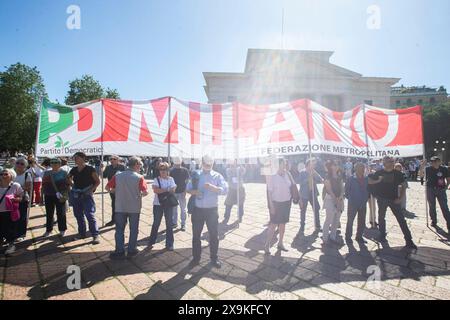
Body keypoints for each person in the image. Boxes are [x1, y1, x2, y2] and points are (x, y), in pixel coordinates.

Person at [186, 155, 228, 268]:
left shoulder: (217, 176)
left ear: (213, 164)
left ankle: (214, 258)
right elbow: (188, 188)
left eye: (210, 164)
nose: (207, 166)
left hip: (212, 211)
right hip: (198, 210)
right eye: (206, 164)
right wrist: (195, 192)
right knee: (196, 235)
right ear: (202, 163)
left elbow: (225, 190)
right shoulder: (196, 174)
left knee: (214, 235)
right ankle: (196, 258)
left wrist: (213, 188)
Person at [368, 156, 417, 249]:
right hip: (382, 199)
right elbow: (369, 181)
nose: (390, 163)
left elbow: (403, 185)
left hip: (394, 199)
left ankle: (408, 239)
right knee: (381, 218)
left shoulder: (398, 173)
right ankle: (382, 236)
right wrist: (377, 180)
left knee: (401, 220)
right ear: (384, 163)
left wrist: (401, 198)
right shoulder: (379, 173)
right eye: (387, 162)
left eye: (391, 161)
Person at [106, 157, 148, 259]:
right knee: (133, 229)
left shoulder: (118, 175)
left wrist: (116, 191)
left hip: (120, 206)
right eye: (139, 165)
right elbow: (145, 192)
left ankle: (119, 250)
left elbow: (107, 188)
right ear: (136, 165)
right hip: (134, 207)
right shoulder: (139, 177)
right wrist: (138, 194)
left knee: (119, 229)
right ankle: (131, 249)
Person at [68, 152, 101, 244]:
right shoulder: (74, 169)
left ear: (83, 158)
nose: (75, 159)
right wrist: (73, 186)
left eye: (77, 158)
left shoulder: (90, 169)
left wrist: (91, 190)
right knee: (78, 215)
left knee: (89, 215)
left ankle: (95, 235)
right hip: (77, 195)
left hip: (87, 195)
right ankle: (82, 233)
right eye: (74, 158)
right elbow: (68, 178)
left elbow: (97, 181)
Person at [265, 158, 294, 255]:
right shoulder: (272, 176)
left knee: (283, 224)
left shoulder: (288, 174)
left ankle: (280, 243)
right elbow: (269, 192)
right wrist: (271, 206)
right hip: (276, 203)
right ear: (278, 165)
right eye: (283, 163)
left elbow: (293, 186)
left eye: (285, 163)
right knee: (273, 225)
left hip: (286, 203)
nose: (285, 165)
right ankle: (267, 245)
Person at [149, 162, 177, 251]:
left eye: (164, 169)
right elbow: (156, 190)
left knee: (169, 224)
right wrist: (167, 189)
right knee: (156, 223)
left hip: (168, 204)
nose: (162, 171)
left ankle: (169, 244)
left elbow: (173, 190)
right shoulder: (156, 179)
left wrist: (163, 190)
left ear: (168, 170)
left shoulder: (171, 179)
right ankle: (151, 241)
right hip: (158, 204)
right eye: (161, 170)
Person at [41, 158, 68, 237]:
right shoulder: (47, 173)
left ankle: (62, 229)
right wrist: (41, 196)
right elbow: (43, 185)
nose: (54, 164)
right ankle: (49, 230)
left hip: (61, 195)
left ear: (60, 164)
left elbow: (67, 184)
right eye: (52, 163)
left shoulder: (64, 173)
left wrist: (65, 194)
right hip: (48, 195)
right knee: (49, 213)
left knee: (61, 213)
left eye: (56, 163)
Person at [0, 168, 23, 255]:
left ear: (11, 176)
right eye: (1, 174)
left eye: (5, 174)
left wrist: (15, 199)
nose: (3, 176)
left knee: (9, 230)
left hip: (9, 212)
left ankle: (11, 245)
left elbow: (22, 198)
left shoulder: (15, 185)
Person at [345, 162, 369, 243]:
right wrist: (352, 200)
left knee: (362, 221)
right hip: (353, 204)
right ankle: (348, 236)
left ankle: (359, 236)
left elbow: (368, 189)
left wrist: (365, 198)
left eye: (363, 168)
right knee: (350, 221)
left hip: (363, 203)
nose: (362, 170)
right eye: (360, 168)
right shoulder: (351, 179)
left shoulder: (366, 178)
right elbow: (346, 191)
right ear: (355, 169)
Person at [322, 160, 345, 245]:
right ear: (331, 166)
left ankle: (333, 237)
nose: (335, 166)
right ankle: (325, 238)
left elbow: (342, 187)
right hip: (330, 199)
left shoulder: (340, 176)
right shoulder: (327, 176)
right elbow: (329, 189)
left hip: (339, 199)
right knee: (329, 219)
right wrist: (335, 200)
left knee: (336, 219)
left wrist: (341, 196)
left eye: (337, 165)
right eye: (334, 165)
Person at [425, 156, 450, 233]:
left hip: (441, 190)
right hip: (430, 189)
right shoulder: (428, 169)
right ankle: (434, 220)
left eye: (436, 161)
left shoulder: (444, 169)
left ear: (439, 162)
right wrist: (422, 166)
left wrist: (446, 186)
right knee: (432, 206)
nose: (434, 163)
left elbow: (448, 178)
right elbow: (422, 175)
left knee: (444, 207)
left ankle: (449, 224)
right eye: (432, 161)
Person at [298, 158, 323, 233]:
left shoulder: (313, 171)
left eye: (315, 164)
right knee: (303, 210)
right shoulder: (302, 172)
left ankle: (317, 225)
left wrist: (316, 175)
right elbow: (300, 183)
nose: (314, 166)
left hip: (313, 193)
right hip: (304, 194)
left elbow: (320, 179)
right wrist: (308, 177)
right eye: (313, 164)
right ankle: (302, 226)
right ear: (309, 164)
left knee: (316, 209)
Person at [103, 155, 126, 227]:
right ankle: (113, 220)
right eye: (111, 159)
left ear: (118, 160)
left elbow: (125, 178)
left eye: (114, 159)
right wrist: (101, 169)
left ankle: (123, 221)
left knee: (122, 206)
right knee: (114, 205)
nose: (112, 160)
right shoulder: (108, 167)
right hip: (112, 190)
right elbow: (103, 176)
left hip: (121, 190)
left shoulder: (122, 167)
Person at [14, 158, 32, 241]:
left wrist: (16, 190)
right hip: (11, 199)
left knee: (22, 217)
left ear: (25, 166)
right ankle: (12, 233)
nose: (19, 165)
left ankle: (21, 234)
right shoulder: (11, 173)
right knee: (11, 217)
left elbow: (28, 187)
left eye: (22, 164)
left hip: (22, 198)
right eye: (18, 163)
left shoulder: (26, 175)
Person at [170, 157, 190, 231]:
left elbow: (187, 181)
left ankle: (181, 223)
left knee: (180, 209)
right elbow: (187, 181)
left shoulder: (183, 170)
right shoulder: (173, 170)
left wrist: (185, 190)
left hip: (180, 192)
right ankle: (179, 223)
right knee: (179, 209)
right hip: (177, 192)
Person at [223, 160, 246, 224]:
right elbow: (230, 175)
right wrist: (233, 169)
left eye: (234, 162)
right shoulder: (228, 169)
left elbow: (243, 171)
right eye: (232, 162)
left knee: (240, 204)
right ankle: (226, 217)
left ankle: (240, 216)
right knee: (228, 204)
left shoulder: (239, 169)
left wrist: (240, 165)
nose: (233, 163)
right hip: (232, 189)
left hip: (240, 189)